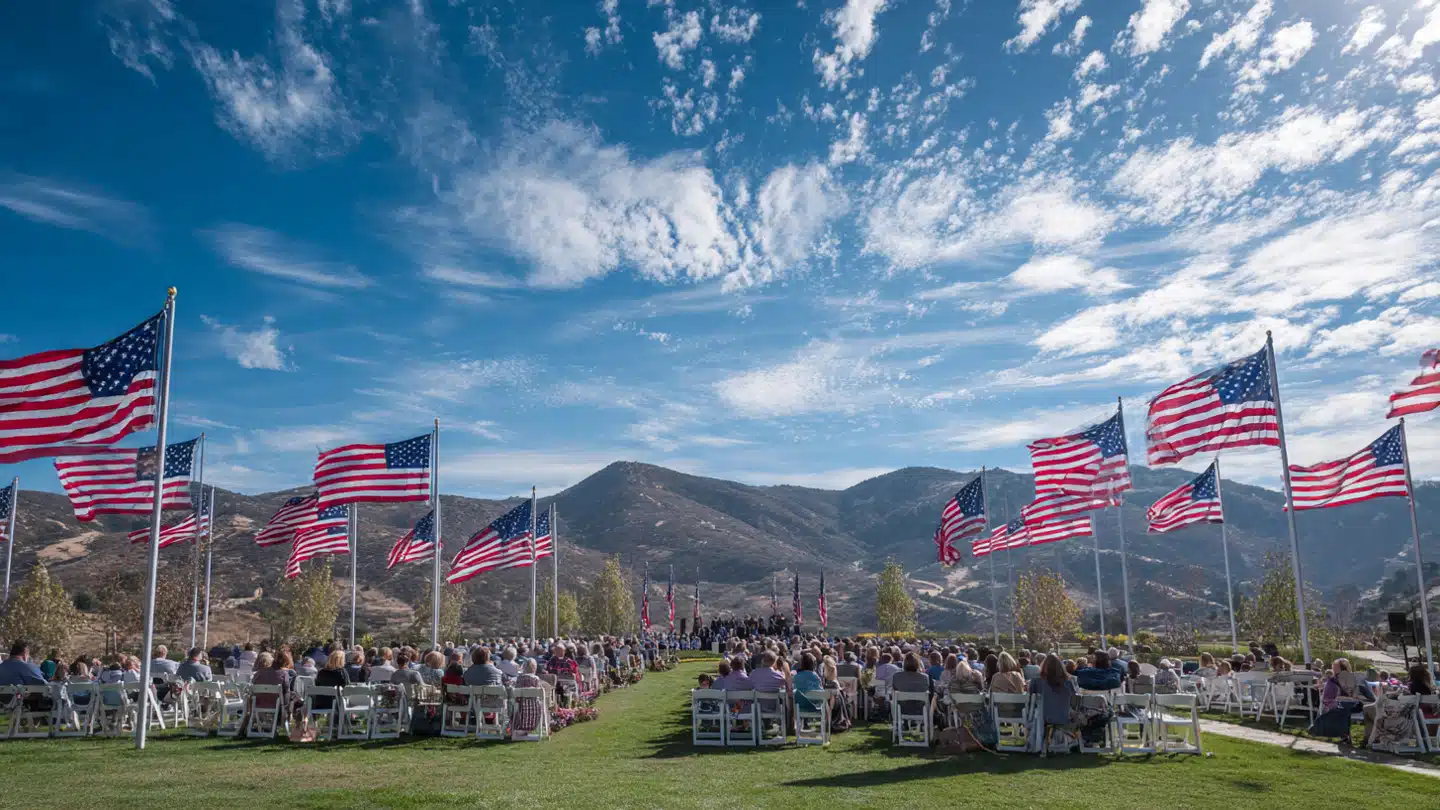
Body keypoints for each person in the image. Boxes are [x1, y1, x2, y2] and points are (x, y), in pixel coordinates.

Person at [1029, 654, 1079, 750]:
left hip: (1042, 717)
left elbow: (1031, 698)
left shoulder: (1036, 680)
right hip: (1063, 716)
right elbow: (1073, 701)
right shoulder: (1068, 682)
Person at [511, 659, 546, 733]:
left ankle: (517, 728)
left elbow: (516, 692)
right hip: (534, 706)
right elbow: (539, 692)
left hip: (520, 707)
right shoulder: (536, 679)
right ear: (534, 668)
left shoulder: (519, 678)